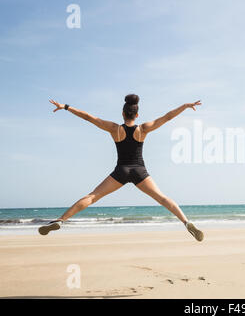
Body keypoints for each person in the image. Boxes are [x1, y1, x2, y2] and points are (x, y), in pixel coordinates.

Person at [38, 94, 204, 242]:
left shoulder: (115, 129)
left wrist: (66, 107)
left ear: (123, 113)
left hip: (121, 171)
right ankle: (186, 222)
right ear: (137, 114)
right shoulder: (143, 128)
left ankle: (61, 220)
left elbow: (89, 117)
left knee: (93, 196)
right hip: (140, 171)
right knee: (162, 198)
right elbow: (167, 117)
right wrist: (185, 106)